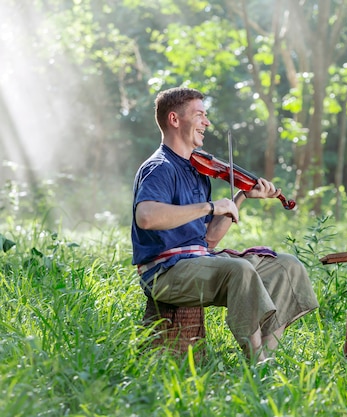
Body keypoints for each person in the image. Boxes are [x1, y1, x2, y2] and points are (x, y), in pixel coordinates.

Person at [131, 86, 319, 363]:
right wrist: (210, 206)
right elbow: (146, 217)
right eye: (199, 115)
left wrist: (240, 197)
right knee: (239, 270)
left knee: (286, 266)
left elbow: (209, 241)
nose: (206, 122)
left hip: (197, 261)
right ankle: (257, 362)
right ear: (174, 119)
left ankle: (266, 357)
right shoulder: (160, 167)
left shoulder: (198, 173)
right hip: (164, 273)